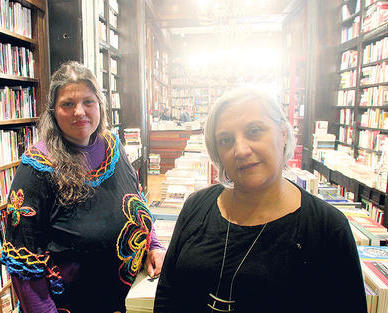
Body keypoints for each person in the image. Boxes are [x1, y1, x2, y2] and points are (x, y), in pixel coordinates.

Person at [154, 88, 367, 313]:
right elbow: (167, 293)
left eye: (254, 131)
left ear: (283, 134)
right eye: (225, 140)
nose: (241, 150)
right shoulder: (196, 206)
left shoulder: (326, 227)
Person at [1, 61, 165, 313]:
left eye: (88, 102)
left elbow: (137, 203)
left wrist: (154, 245)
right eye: (68, 104)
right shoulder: (36, 169)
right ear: (53, 111)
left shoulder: (113, 146)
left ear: (100, 105)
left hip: (133, 298)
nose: (80, 111)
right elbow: (24, 267)